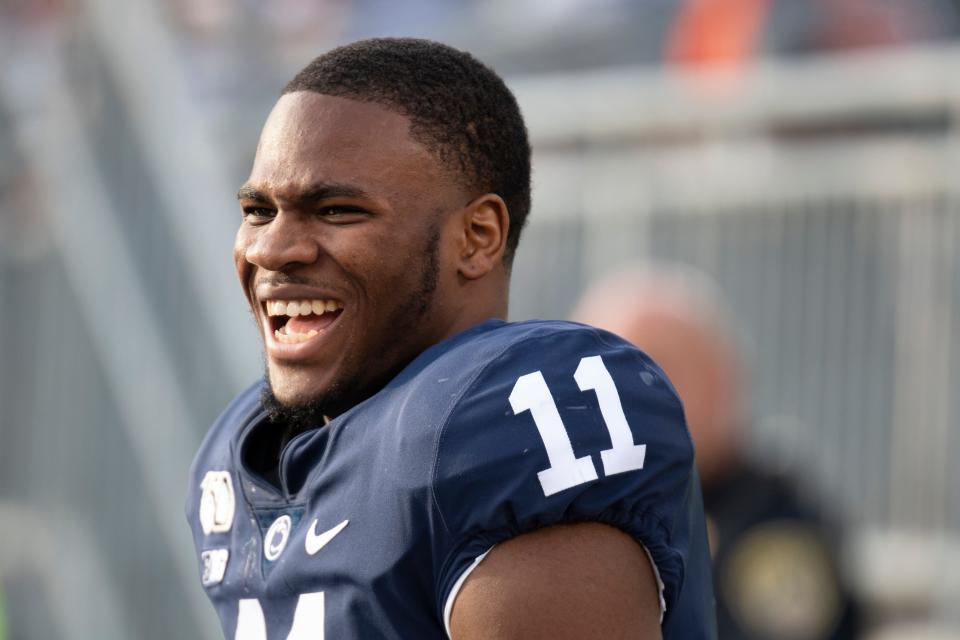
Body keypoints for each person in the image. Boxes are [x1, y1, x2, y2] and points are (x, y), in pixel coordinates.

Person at [186, 38, 715, 639]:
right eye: (258, 211)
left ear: (477, 237)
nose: (271, 250)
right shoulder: (243, 455)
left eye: (336, 210)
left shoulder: (514, 420)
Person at [573, 264, 860, 640]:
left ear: (723, 378)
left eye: (659, 366)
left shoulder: (771, 515)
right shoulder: (568, 505)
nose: (627, 396)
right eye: (603, 378)